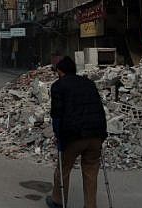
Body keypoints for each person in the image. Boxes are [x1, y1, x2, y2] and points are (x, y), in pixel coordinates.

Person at [46, 56, 107, 208]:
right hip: (96, 134)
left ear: (60, 71)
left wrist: (58, 136)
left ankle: (58, 201)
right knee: (91, 171)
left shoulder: (58, 86)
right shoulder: (89, 83)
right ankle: (90, 205)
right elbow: (99, 109)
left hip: (74, 135)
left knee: (63, 168)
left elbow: (57, 115)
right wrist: (102, 134)